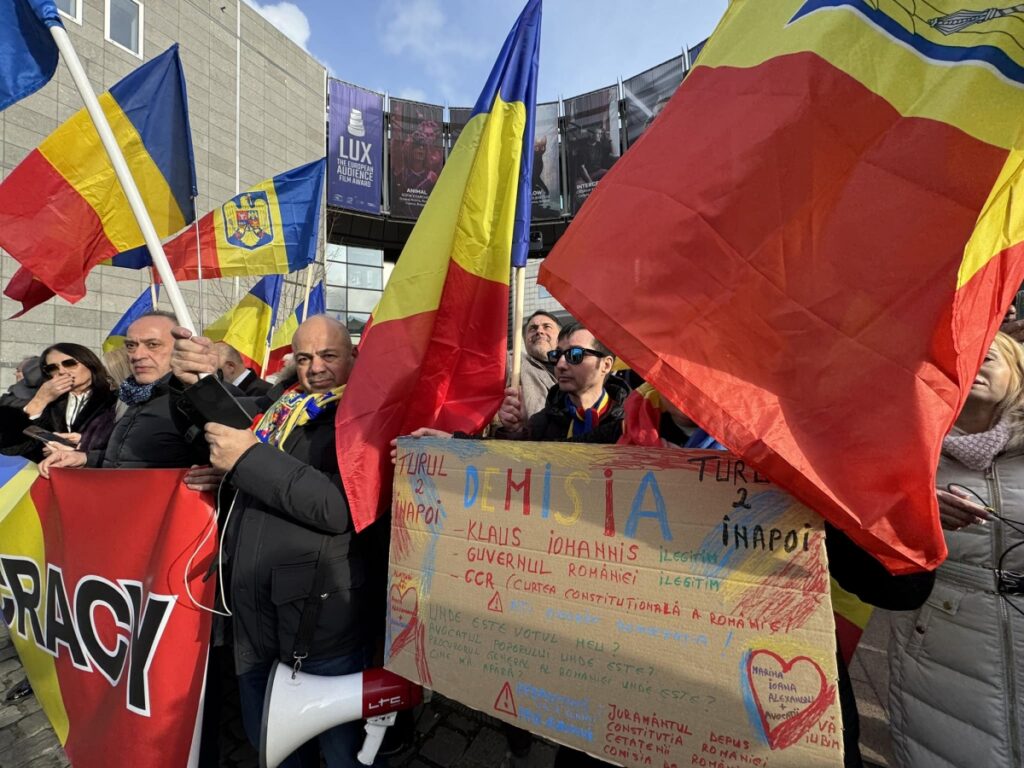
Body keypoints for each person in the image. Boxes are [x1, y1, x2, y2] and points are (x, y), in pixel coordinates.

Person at [170, 314, 388, 768]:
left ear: (353, 356)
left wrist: (248, 459)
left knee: (343, 750)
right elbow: (230, 426)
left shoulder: (365, 417)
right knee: (271, 743)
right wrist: (193, 383)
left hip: (320, 622)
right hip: (252, 614)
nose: (316, 368)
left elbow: (339, 508)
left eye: (329, 355)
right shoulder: (278, 406)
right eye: (304, 357)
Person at [889, 331, 1024, 768]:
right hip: (944, 640)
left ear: (1017, 372)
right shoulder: (906, 450)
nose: (973, 367)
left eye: (987, 357)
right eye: (960, 360)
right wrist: (911, 510)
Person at [38, 311, 218, 478]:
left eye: (153, 344)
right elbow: (125, 459)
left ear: (182, 348)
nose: (137, 355)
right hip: (122, 503)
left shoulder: (204, 398)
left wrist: (223, 477)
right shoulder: (133, 396)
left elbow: (231, 462)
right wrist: (84, 459)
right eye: (131, 346)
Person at [496, 321, 629, 442]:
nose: (560, 365)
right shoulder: (540, 423)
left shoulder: (632, 420)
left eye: (575, 355)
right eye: (557, 355)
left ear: (605, 365)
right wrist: (516, 431)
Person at [8, 343, 117, 462]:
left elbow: (125, 446)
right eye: (52, 368)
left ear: (89, 363)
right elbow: (11, 447)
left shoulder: (115, 398)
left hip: (98, 474)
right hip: (50, 472)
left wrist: (80, 447)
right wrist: (40, 400)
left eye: (69, 363)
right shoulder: (47, 399)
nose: (62, 371)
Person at [507, 310, 561, 421]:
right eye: (533, 328)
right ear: (524, 339)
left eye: (547, 327)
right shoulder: (514, 361)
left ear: (560, 338)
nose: (539, 331)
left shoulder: (574, 368)